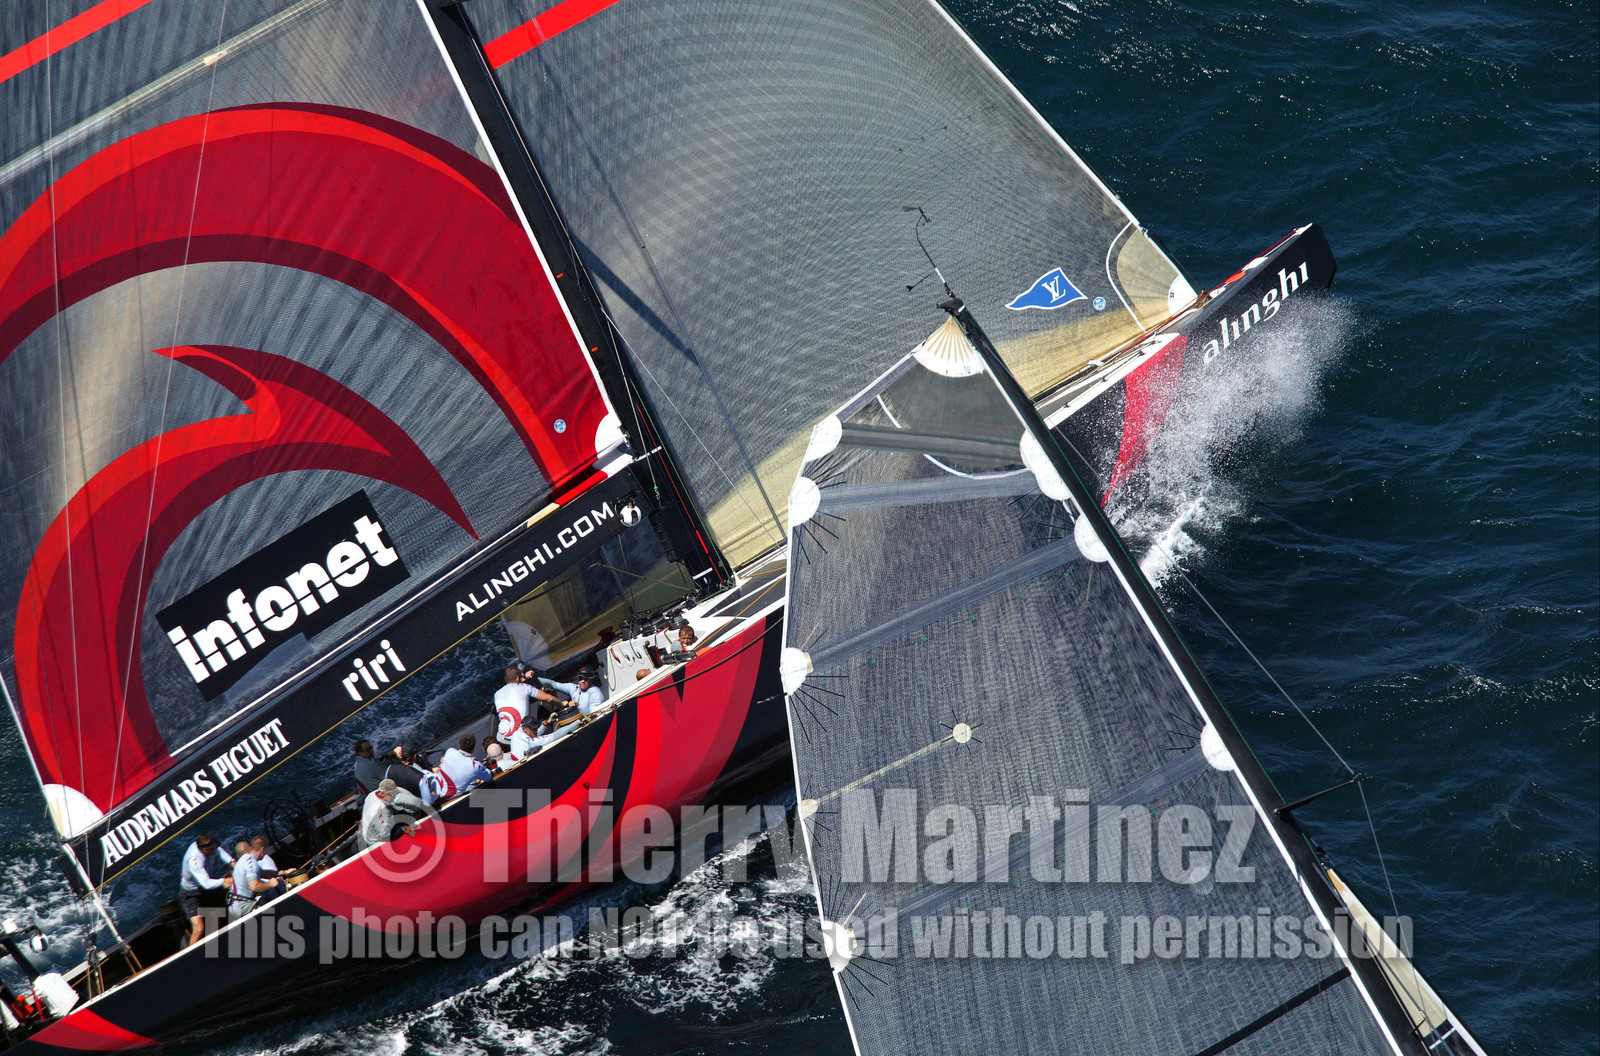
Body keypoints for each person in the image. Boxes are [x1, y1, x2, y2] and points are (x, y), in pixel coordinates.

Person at [179, 833, 233, 946]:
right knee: (199, 929)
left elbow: (220, 852)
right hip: (191, 894)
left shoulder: (209, 847)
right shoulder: (195, 860)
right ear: (205, 849)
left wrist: (233, 863)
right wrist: (224, 881)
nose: (216, 849)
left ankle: (211, 946)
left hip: (204, 891)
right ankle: (190, 959)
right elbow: (206, 883)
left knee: (218, 915)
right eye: (213, 848)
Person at [229, 840, 279, 919]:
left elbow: (261, 873)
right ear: (262, 849)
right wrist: (270, 884)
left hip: (234, 906)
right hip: (244, 907)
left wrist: (282, 873)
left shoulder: (241, 861)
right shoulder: (251, 861)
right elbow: (254, 886)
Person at [359, 779, 413, 848]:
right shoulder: (382, 811)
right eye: (392, 794)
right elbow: (385, 836)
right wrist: (403, 829)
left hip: (368, 830)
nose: (394, 796)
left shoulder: (371, 795)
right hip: (375, 841)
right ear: (384, 794)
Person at [537, 667, 606, 715]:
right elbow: (553, 684)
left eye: (586, 679)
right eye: (580, 678)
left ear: (591, 679)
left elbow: (594, 715)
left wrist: (572, 707)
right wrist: (534, 678)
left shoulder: (595, 694)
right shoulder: (573, 688)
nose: (583, 681)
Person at [493, 666, 537, 740]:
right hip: (523, 735)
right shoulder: (524, 687)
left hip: (503, 738)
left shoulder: (496, 694)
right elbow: (548, 698)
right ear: (517, 678)